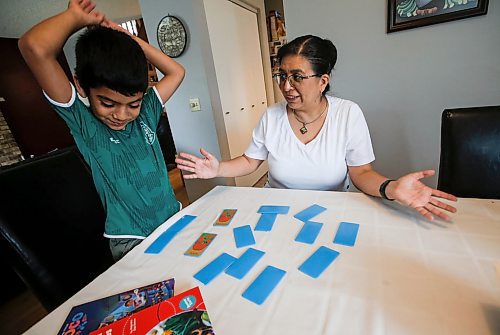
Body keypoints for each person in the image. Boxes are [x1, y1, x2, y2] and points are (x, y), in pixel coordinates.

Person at [175, 35, 457, 221]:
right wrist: (218, 169)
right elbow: (251, 161)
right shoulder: (272, 116)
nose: (286, 86)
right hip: (277, 213)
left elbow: (362, 173)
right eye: (282, 76)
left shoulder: (348, 113)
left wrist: (391, 188)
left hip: (329, 214)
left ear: (323, 80)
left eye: (297, 76)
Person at [19, 0, 185, 261]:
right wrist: (74, 17)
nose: (121, 115)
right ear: (81, 86)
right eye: (108, 103)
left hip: (173, 219)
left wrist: (129, 39)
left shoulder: (148, 111)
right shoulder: (84, 122)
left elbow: (176, 71)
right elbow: (34, 48)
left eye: (133, 104)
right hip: (133, 239)